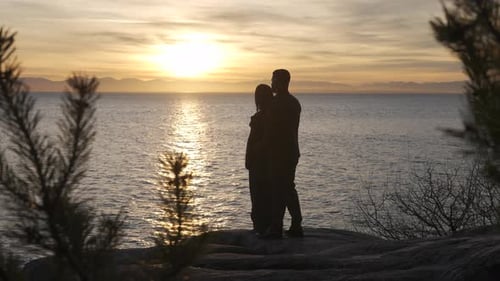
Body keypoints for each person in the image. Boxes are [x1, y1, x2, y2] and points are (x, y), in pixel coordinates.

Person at [264, 69, 303, 239]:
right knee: (287, 188)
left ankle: (277, 227)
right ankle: (295, 223)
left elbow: (272, 131)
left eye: (273, 81)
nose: (271, 84)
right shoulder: (294, 103)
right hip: (291, 151)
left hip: (280, 152)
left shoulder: (277, 104)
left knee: (280, 189)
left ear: (280, 82)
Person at [245, 84, 273, 235]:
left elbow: (261, 140)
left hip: (260, 162)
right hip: (261, 161)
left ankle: (261, 227)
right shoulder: (267, 115)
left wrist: (254, 151)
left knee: (258, 194)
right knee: (262, 194)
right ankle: (263, 225)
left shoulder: (263, 117)